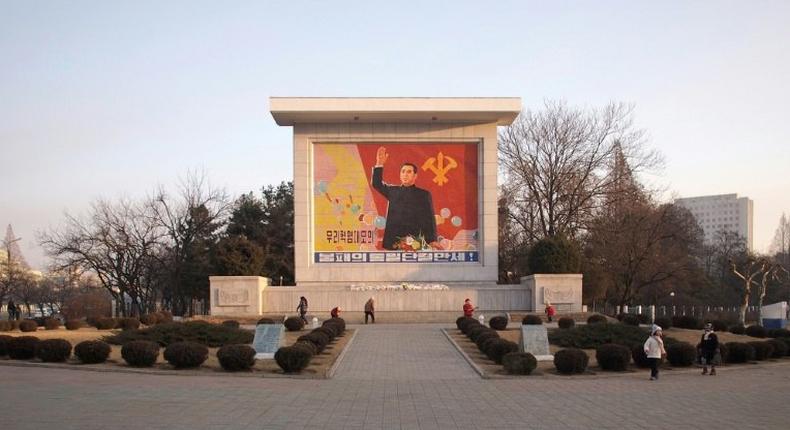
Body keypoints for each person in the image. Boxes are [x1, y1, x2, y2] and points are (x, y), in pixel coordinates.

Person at [371, 146, 441, 250]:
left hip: (415, 243)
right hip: (393, 242)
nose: (405, 174)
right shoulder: (393, 191)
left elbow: (429, 219)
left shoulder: (423, 194)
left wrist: (432, 240)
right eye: (403, 171)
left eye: (409, 172)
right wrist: (379, 164)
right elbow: (376, 184)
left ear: (415, 175)